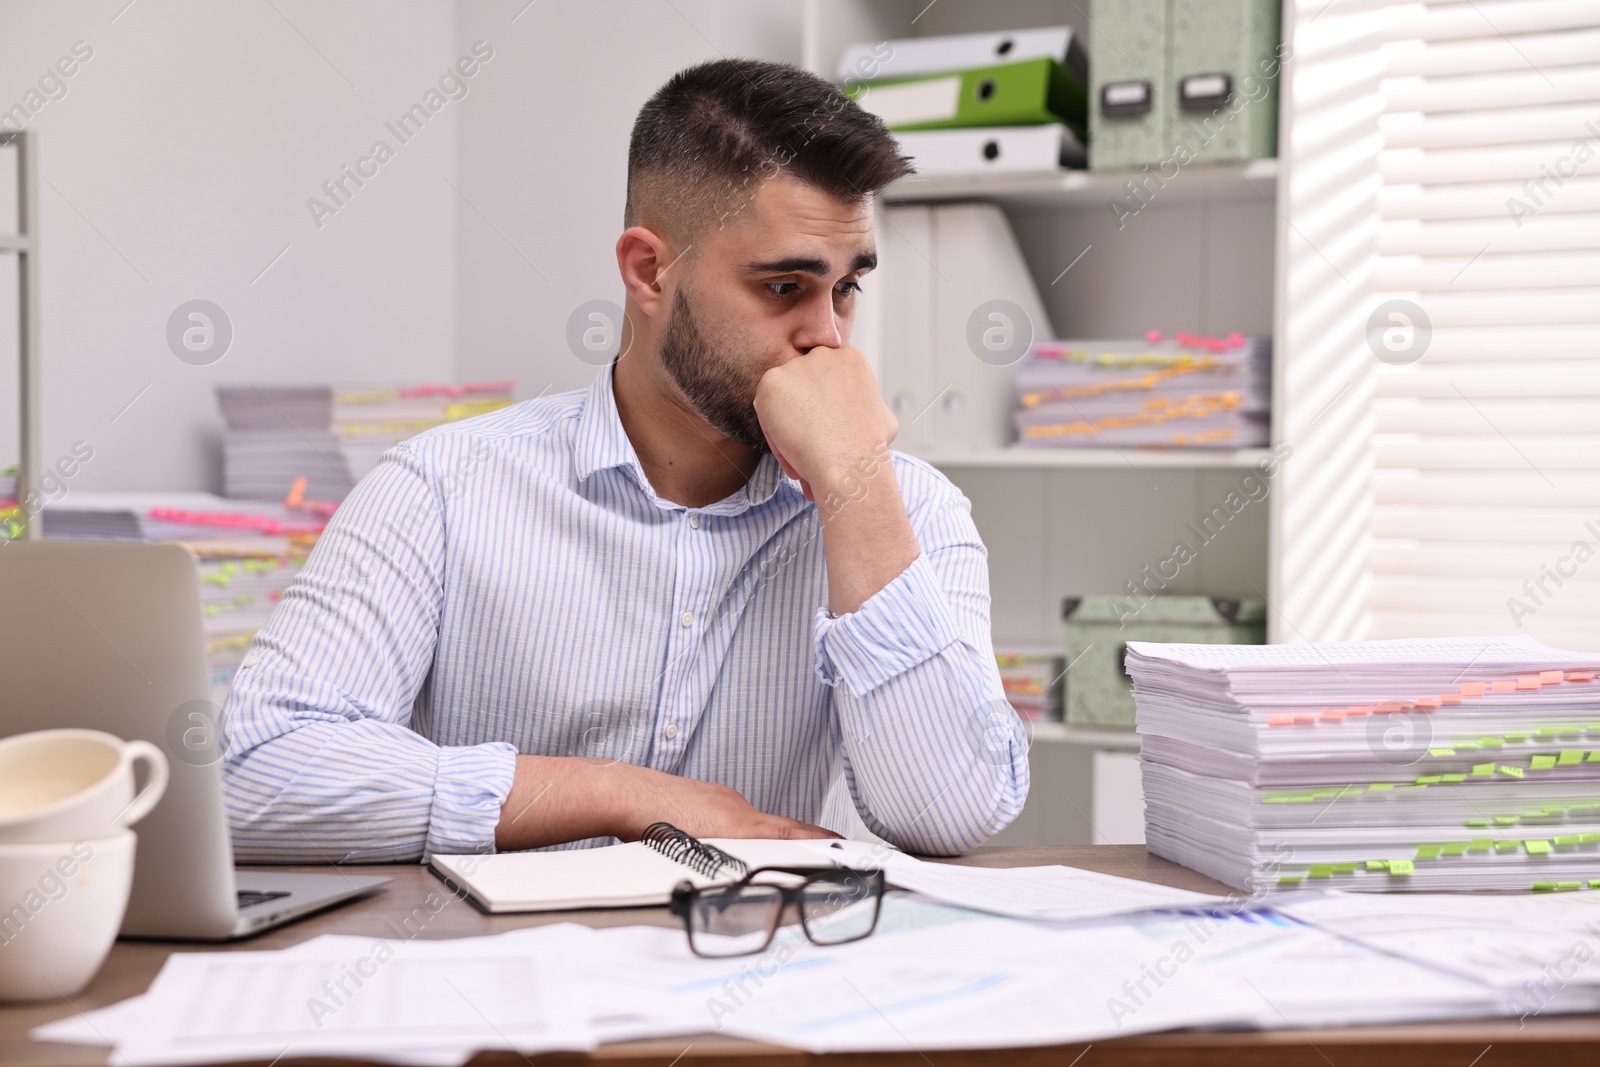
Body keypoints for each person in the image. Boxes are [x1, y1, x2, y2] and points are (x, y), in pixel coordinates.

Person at [222, 57, 1029, 862]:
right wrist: (624, 796)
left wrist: (854, 485)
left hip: (754, 970)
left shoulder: (908, 509)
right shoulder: (439, 489)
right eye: (785, 286)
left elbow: (949, 813)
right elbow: (254, 773)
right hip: (490, 974)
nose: (829, 336)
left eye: (847, 286)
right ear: (649, 270)